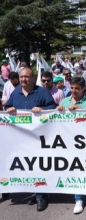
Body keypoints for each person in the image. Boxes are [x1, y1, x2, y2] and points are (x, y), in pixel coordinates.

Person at [4, 68, 57, 211]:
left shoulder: (42, 92)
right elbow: (8, 106)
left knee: (38, 165)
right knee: (26, 165)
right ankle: (30, 190)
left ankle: (41, 196)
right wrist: (9, 109)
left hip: (39, 137)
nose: (23, 80)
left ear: (32, 78)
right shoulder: (16, 93)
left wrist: (42, 109)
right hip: (20, 139)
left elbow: (53, 107)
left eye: (26, 77)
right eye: (21, 77)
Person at [56, 77, 86, 214]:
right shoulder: (65, 101)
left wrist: (81, 110)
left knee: (79, 169)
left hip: (83, 143)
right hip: (66, 142)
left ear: (83, 88)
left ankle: (79, 198)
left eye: (77, 88)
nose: (73, 91)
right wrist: (59, 109)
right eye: (71, 88)